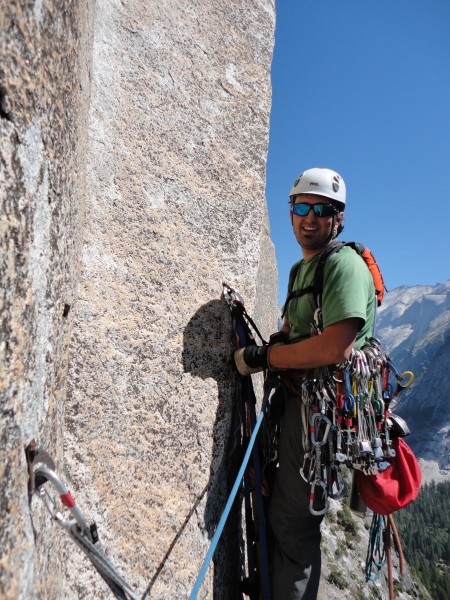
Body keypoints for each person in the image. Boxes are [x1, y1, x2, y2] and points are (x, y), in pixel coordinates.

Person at [234, 167, 376, 599]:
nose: (309, 217)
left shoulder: (344, 265)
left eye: (322, 209)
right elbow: (298, 328)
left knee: (294, 524)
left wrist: (266, 357)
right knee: (277, 504)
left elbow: (335, 346)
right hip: (299, 405)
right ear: (291, 210)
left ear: (338, 218)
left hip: (321, 414)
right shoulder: (302, 270)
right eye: (301, 207)